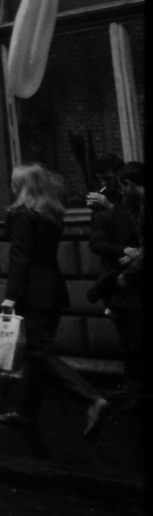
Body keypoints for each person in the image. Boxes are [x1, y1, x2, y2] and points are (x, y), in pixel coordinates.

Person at [0, 164, 111, 440]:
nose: (11, 186)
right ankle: (27, 413)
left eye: (14, 182)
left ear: (23, 186)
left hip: (33, 293)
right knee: (37, 354)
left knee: (38, 352)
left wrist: (11, 295)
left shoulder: (22, 214)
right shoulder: (50, 214)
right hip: (53, 290)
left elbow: (20, 256)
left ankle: (90, 399)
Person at [89, 161, 143, 402]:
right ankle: (135, 389)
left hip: (135, 279)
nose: (106, 185)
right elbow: (97, 243)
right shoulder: (108, 215)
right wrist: (123, 250)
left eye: (110, 180)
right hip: (126, 286)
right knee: (130, 341)